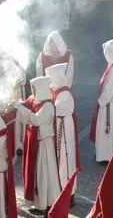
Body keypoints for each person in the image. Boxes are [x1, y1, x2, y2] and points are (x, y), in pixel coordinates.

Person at [15, 76, 60, 213]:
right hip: (37, 143)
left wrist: (20, 109)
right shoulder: (38, 100)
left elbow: (36, 120)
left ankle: (45, 204)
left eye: (35, 88)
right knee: (39, 175)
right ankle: (41, 203)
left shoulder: (48, 105)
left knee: (43, 174)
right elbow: (28, 102)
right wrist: (18, 104)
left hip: (44, 144)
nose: (33, 92)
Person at [46, 63, 79, 196]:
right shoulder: (59, 92)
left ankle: (68, 192)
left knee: (65, 160)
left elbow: (58, 109)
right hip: (62, 127)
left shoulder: (64, 93)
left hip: (64, 130)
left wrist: (46, 107)